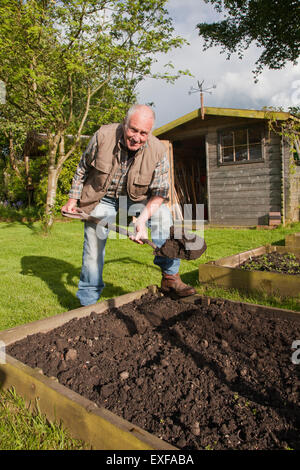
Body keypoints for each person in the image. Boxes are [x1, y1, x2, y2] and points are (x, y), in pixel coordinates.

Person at [61, 104, 196, 306]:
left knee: (164, 218)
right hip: (102, 198)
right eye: (133, 130)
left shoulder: (157, 150)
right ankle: (87, 303)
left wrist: (141, 221)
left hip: (137, 200)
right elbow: (82, 168)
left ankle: (170, 277)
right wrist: (72, 200)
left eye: (143, 133)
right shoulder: (103, 136)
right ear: (124, 124)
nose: (137, 137)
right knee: (93, 244)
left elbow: (160, 192)